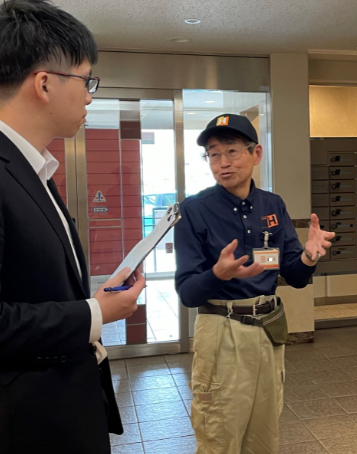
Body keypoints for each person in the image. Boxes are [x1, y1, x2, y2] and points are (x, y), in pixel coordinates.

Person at [0, 1, 146, 453]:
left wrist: (91, 301)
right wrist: (94, 313)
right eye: (86, 81)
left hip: (61, 411)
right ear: (44, 83)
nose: (89, 97)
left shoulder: (35, 169)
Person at [175, 113, 334, 453]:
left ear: (255, 153)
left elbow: (294, 275)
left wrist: (309, 256)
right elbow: (187, 292)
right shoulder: (195, 210)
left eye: (232, 151)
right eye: (214, 154)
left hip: (267, 330)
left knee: (264, 434)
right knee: (220, 435)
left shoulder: (271, 205)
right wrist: (218, 274)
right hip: (222, 329)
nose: (223, 162)